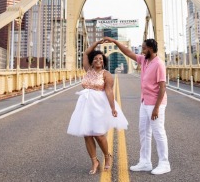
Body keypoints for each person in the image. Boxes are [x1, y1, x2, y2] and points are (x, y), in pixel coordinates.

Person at [104, 37, 171, 175]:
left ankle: (164, 163)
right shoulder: (144, 60)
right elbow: (128, 53)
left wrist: (157, 108)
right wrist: (115, 42)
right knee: (144, 132)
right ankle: (145, 162)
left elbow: (163, 87)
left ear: (151, 49)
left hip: (155, 104)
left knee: (158, 133)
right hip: (144, 102)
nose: (142, 50)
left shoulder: (159, 64)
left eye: (144, 48)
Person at [67, 39, 128, 175]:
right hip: (85, 105)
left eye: (100, 58)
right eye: (95, 58)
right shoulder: (87, 69)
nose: (98, 60)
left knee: (99, 135)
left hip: (99, 106)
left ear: (103, 61)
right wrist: (97, 43)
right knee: (87, 134)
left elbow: (109, 91)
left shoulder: (106, 75)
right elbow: (86, 53)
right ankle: (94, 161)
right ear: (92, 60)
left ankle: (107, 156)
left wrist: (113, 108)